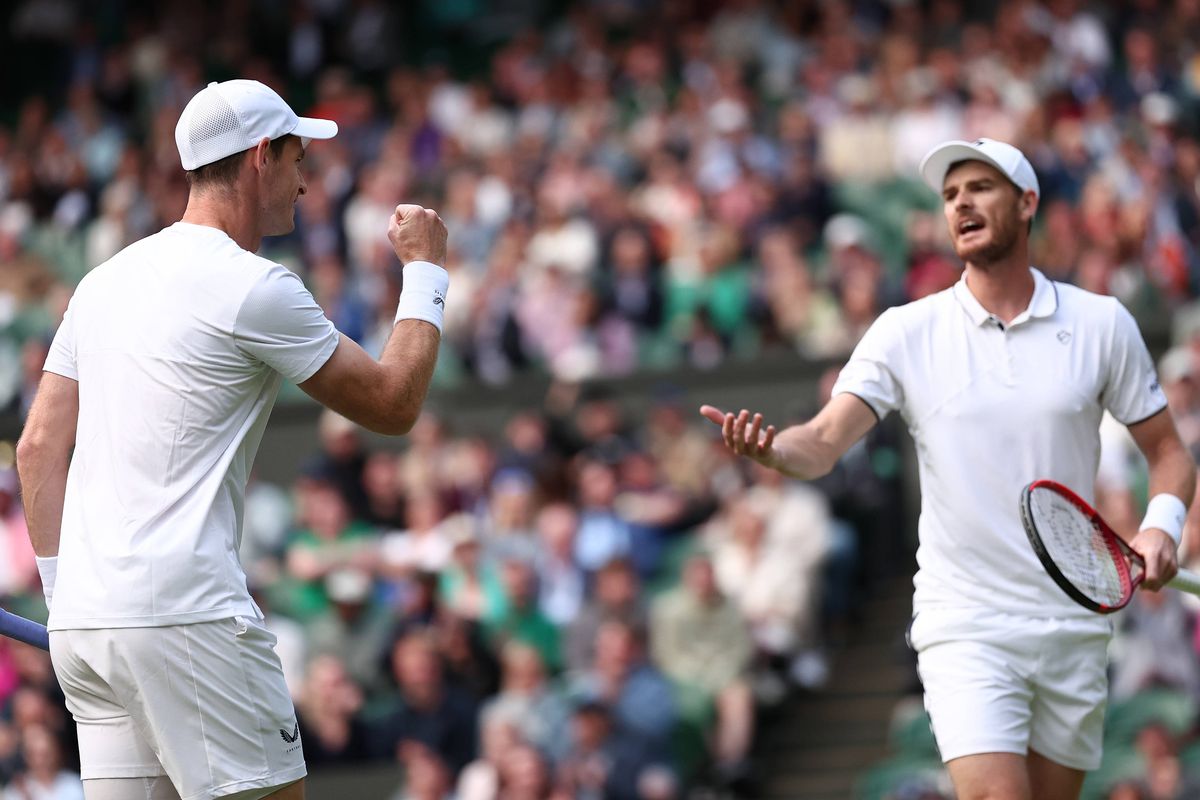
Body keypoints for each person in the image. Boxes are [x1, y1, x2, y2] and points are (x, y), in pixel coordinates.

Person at [699, 138, 1197, 799]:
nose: (960, 201)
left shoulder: (1103, 324)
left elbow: (1168, 451)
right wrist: (774, 450)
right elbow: (821, 440)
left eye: (980, 187)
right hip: (966, 621)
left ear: (1027, 204)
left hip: (1075, 622)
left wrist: (1161, 527)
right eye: (950, 194)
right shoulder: (904, 332)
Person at [15, 79, 451, 800]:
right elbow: (393, 403)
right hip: (188, 619)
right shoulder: (256, 287)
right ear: (259, 158)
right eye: (296, 159)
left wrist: (67, 600)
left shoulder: (101, 282)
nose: (305, 183)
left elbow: (35, 450)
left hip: (87, 629)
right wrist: (427, 272)